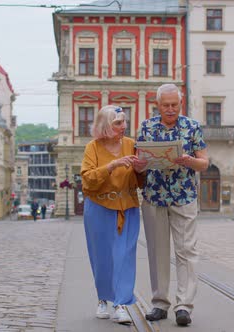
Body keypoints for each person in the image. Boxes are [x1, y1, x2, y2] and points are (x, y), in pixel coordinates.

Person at [135, 83, 209, 327]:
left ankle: (184, 306)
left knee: (186, 251)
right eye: (165, 105)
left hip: (184, 195)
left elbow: (204, 162)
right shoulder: (146, 127)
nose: (170, 109)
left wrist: (189, 161)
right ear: (157, 105)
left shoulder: (192, 127)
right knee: (157, 251)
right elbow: (140, 163)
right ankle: (160, 303)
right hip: (154, 196)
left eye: (174, 105)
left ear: (181, 103)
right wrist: (140, 164)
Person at [81, 105, 144, 325]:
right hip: (98, 208)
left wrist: (142, 169)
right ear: (106, 126)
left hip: (127, 207)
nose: (123, 126)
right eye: (118, 123)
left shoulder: (132, 145)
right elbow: (87, 179)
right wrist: (112, 165)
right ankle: (102, 299)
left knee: (125, 256)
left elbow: (141, 181)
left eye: (124, 122)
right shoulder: (93, 148)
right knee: (102, 258)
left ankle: (121, 304)